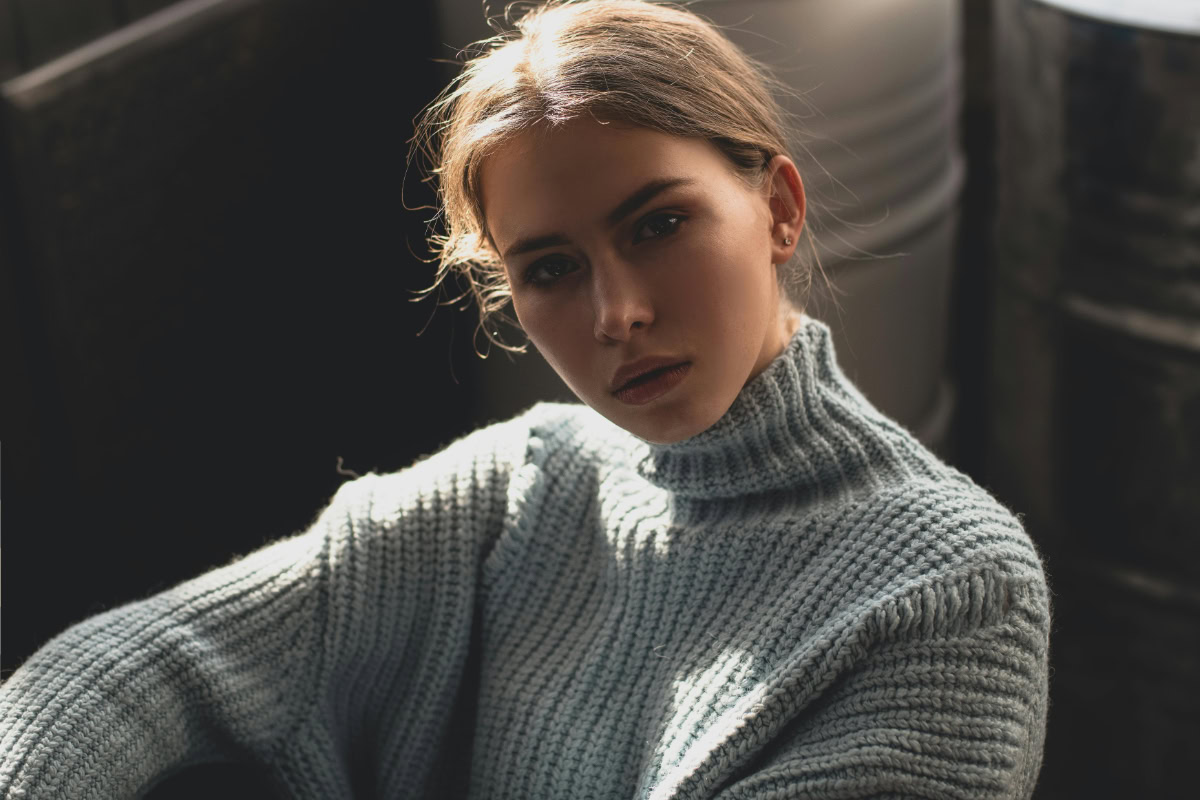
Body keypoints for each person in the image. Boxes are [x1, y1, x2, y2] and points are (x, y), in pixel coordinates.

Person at [0, 1, 1050, 797]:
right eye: (549, 268)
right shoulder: (523, 481)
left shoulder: (954, 586)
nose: (616, 312)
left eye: (658, 224)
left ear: (777, 207)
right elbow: (140, 658)